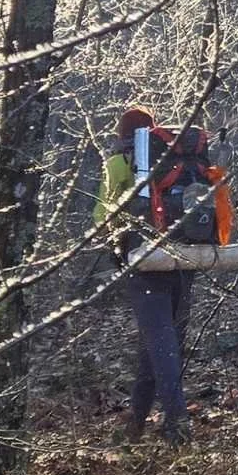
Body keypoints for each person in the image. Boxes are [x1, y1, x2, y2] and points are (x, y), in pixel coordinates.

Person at [100, 106, 194, 443]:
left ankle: (178, 425)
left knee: (160, 342)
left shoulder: (119, 163)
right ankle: (135, 427)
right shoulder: (177, 161)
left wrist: (113, 245)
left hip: (144, 261)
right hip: (185, 257)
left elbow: (103, 213)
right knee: (157, 344)